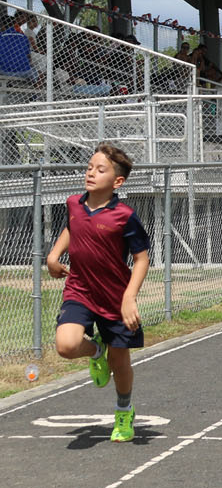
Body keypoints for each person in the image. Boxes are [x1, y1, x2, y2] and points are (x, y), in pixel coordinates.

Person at [45, 145, 150, 443]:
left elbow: (141, 259)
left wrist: (129, 298)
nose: (91, 172)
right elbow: (72, 227)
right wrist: (54, 256)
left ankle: (124, 410)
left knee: (121, 363)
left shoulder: (124, 216)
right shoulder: (74, 203)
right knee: (66, 345)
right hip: (79, 290)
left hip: (115, 298)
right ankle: (96, 351)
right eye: (89, 167)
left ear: (117, 182)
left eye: (100, 169)